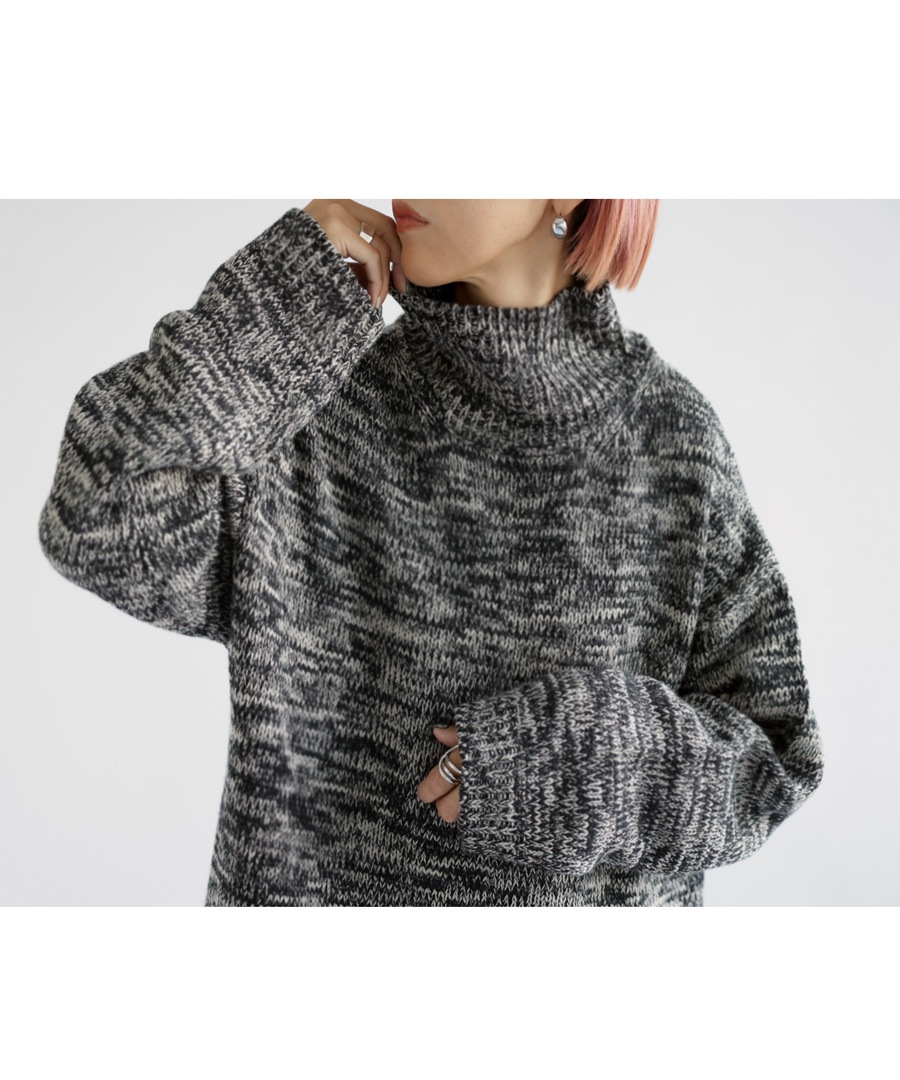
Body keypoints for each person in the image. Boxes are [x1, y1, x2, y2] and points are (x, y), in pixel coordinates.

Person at [37, 199, 824, 906]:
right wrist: (280, 305)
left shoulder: (672, 443)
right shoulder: (315, 403)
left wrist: (593, 760)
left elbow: (773, 761)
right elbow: (95, 518)